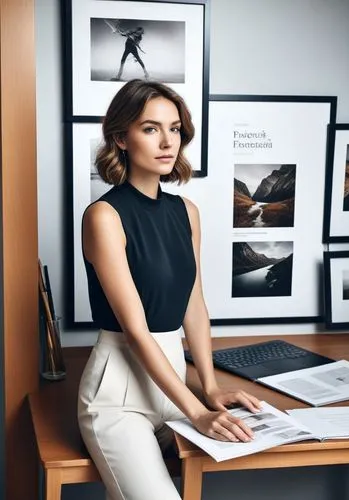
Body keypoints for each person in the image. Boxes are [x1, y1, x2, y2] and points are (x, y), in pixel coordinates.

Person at [77, 79, 261, 500]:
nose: (167, 142)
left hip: (174, 382)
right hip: (119, 395)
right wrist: (197, 411)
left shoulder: (186, 211)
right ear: (121, 138)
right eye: (150, 128)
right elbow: (137, 330)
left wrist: (210, 388)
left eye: (174, 129)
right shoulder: (104, 216)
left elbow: (194, 305)